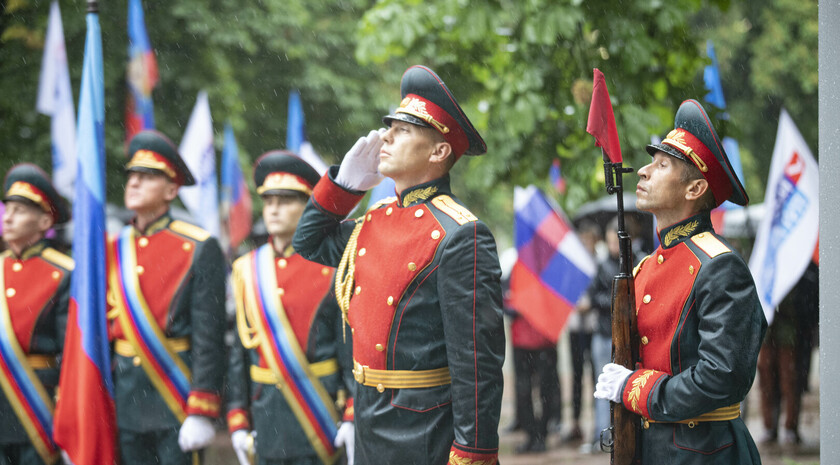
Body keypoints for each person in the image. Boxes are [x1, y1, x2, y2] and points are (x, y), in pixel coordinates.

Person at [292, 65, 505, 465]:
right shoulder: (374, 219)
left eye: (403, 129)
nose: (386, 136)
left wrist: (473, 451)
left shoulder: (461, 233)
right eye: (389, 126)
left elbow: (477, 362)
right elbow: (307, 242)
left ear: (439, 151)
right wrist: (344, 187)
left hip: (426, 429)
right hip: (370, 416)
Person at [593, 99, 767, 463]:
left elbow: (721, 377)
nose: (642, 172)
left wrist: (635, 388)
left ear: (694, 189)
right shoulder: (644, 269)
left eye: (662, 165)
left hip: (704, 453)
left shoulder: (720, 266)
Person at [106, 130, 227, 465]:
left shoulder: (199, 246)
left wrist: (202, 408)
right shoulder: (112, 248)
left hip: (175, 397)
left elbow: (209, 335)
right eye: (132, 176)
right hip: (125, 398)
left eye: (147, 177)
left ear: (171, 190)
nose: (134, 183)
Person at [226, 151, 354, 465]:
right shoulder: (246, 269)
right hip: (266, 418)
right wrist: (238, 418)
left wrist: (352, 414)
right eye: (269, 201)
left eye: (285, 201)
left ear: (308, 206)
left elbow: (348, 348)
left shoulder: (332, 267)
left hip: (322, 414)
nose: (273, 210)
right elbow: (241, 354)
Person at [0, 164, 72, 465]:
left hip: (39, 404)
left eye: (19, 210)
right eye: (8, 209)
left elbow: (72, 355)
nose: (9, 217)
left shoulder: (65, 273)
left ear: (45, 220)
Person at [757, 262, 818, 445]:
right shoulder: (766, 258)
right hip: (768, 332)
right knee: (766, 381)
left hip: (789, 332)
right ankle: (770, 428)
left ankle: (790, 429)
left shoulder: (796, 261)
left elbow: (804, 300)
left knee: (790, 381)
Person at [580, 216, 621, 453]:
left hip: (624, 337)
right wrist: (615, 299)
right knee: (601, 388)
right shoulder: (602, 266)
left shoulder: (636, 262)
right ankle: (601, 436)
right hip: (604, 335)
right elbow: (594, 298)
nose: (613, 245)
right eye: (609, 241)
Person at [564, 220, 600, 443]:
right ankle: (575, 422)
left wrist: (591, 304)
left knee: (595, 375)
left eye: (589, 240)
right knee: (576, 375)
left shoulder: (600, 263)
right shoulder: (573, 264)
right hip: (576, 326)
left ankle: (598, 423)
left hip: (593, 327)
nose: (586, 244)